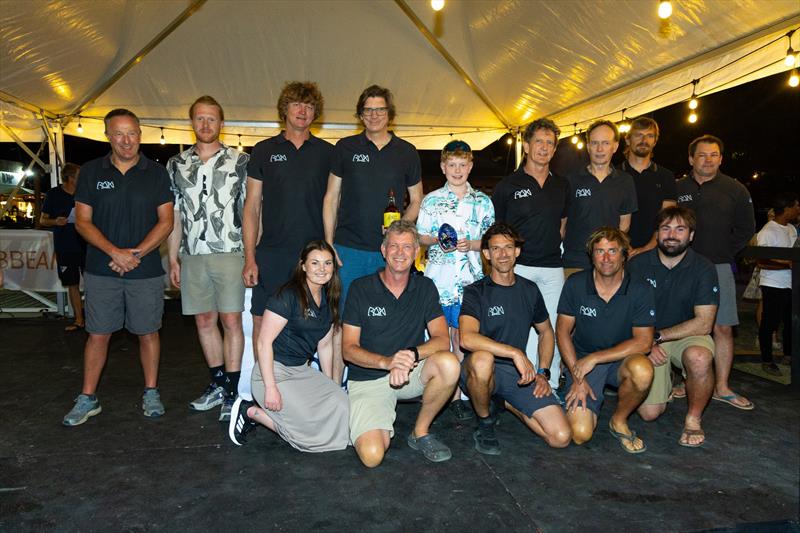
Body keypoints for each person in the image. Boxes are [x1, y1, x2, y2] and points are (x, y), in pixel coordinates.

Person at [63, 108, 173, 426]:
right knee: (97, 334)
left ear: (140, 134)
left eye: (132, 133)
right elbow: (82, 223)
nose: (126, 140)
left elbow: (166, 222)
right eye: (119, 133)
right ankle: (88, 397)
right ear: (108, 136)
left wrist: (133, 254)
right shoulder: (91, 172)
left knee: (148, 332)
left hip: (145, 269)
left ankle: (151, 391)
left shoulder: (156, 173)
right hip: (101, 268)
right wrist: (114, 252)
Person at [342, 221, 460, 467]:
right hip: (369, 378)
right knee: (372, 456)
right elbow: (348, 349)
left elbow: (441, 339)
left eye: (407, 246)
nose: (399, 252)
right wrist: (388, 362)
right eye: (393, 246)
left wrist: (410, 355)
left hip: (409, 372)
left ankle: (420, 431)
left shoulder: (425, 287)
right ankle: (359, 419)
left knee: (449, 364)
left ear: (417, 252)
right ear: (383, 250)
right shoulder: (360, 288)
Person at [241, 82, 335, 380]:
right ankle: (261, 385)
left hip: (313, 258)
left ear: (315, 112)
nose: (302, 111)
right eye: (296, 104)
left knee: (308, 324)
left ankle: (299, 386)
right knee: (261, 323)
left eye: (308, 106)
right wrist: (250, 258)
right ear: (285, 109)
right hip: (272, 253)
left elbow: (335, 203)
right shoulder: (263, 151)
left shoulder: (327, 153)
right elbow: (252, 207)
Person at [167, 95, 249, 421]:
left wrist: (251, 256)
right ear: (192, 123)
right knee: (204, 321)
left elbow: (251, 212)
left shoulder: (240, 162)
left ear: (221, 123)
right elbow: (175, 215)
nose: (205, 124)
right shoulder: (176, 164)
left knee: (231, 322)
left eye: (211, 119)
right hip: (193, 256)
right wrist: (173, 258)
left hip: (230, 253)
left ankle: (233, 391)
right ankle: (217, 384)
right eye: (199, 118)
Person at [459, 223, 571, 455]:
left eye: (508, 247)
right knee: (482, 360)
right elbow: (467, 339)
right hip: (480, 372)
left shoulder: (529, 290)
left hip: (517, 375)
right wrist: (515, 352)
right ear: (487, 254)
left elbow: (547, 332)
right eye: (496, 248)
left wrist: (543, 372)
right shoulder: (476, 291)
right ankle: (484, 422)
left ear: (517, 251)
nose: (503, 254)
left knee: (561, 437)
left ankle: (504, 402)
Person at [228, 241, 349, 451]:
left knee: (341, 403)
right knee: (307, 427)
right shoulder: (288, 295)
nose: (322, 269)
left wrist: (329, 385)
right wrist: (271, 387)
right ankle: (251, 412)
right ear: (303, 266)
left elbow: (326, 345)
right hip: (272, 372)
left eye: (327, 263)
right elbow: (263, 342)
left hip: (301, 370)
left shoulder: (329, 299)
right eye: (315, 263)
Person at [556, 227, 655, 453]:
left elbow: (644, 342)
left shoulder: (640, 289)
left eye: (612, 251)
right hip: (582, 362)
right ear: (592, 256)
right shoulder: (576, 283)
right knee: (580, 435)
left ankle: (619, 419)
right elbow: (562, 331)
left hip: (621, 360)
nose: (606, 258)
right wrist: (576, 375)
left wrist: (596, 358)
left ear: (624, 254)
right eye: (599, 251)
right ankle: (568, 391)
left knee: (643, 370)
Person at [676, 135, 756, 410]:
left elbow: (746, 230)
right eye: (702, 155)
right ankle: (684, 382)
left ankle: (721, 386)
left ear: (721, 158)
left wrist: (724, 251)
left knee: (722, 327)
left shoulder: (735, 189)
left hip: (719, 266)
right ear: (691, 159)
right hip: (680, 267)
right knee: (682, 324)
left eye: (713, 155)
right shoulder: (678, 188)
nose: (708, 159)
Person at [323, 84, 423, 302]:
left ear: (389, 114)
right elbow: (331, 197)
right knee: (346, 317)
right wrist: (329, 242)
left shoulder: (407, 152)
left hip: (389, 251)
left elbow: (416, 200)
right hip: (348, 249)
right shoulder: (345, 147)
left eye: (380, 109)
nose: (374, 115)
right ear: (360, 114)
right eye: (368, 110)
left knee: (385, 317)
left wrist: (398, 230)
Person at [417, 139, 494, 421]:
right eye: (452, 165)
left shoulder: (483, 202)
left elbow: (490, 241)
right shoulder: (431, 199)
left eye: (463, 165)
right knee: (442, 338)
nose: (457, 170)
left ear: (471, 166)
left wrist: (471, 245)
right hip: (439, 281)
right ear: (443, 166)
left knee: (463, 338)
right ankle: (444, 390)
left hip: (471, 281)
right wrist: (438, 239)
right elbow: (421, 237)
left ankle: (460, 395)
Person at [628, 206, 718, 447]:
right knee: (649, 414)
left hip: (685, 334)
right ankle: (666, 385)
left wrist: (658, 337)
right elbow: (625, 313)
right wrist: (647, 342)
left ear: (691, 235)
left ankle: (693, 418)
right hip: (647, 336)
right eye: (665, 228)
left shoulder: (704, 268)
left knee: (699, 357)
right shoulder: (637, 265)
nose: (672, 235)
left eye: (680, 229)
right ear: (657, 234)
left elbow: (705, 322)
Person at [492, 118, 569, 391]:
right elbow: (498, 229)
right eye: (539, 141)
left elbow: (562, 224)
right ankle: (516, 385)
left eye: (550, 143)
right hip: (519, 267)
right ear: (526, 145)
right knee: (520, 328)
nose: (544, 148)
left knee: (553, 327)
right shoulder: (507, 185)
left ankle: (550, 383)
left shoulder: (561, 184)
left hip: (551, 268)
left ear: (555, 148)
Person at [562, 120, 638, 275]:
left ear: (615, 146)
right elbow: (562, 224)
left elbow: (624, 225)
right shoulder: (571, 180)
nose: (599, 148)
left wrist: (611, 252)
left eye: (605, 143)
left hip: (609, 263)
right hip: (575, 262)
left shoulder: (625, 181)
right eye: (595, 143)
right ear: (588, 147)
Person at [41, 162, 86, 331]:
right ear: (70, 178)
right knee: (72, 283)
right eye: (79, 175)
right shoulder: (53, 194)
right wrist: (56, 221)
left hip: (88, 244)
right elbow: (43, 220)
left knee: (94, 282)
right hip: (65, 246)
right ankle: (79, 320)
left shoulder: (85, 193)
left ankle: (97, 319)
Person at [621, 117, 677, 257]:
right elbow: (607, 216)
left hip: (656, 253)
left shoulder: (666, 177)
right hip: (618, 253)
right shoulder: (614, 175)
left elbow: (667, 219)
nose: (644, 140)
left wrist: (647, 248)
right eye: (638, 135)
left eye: (649, 135)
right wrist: (625, 248)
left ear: (655, 141)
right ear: (628, 140)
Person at [755, 193, 798, 375]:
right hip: (773, 284)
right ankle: (767, 359)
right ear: (787, 208)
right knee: (770, 322)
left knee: (791, 322)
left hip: (791, 284)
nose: (798, 209)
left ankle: (789, 354)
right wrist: (788, 263)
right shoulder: (768, 231)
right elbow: (761, 261)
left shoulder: (792, 230)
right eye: (796, 206)